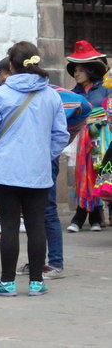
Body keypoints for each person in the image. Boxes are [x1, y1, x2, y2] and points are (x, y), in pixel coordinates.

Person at [0, 41, 69, 297]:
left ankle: (7, 282)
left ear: (11, 65)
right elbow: (60, 135)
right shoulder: (52, 95)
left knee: (9, 226)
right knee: (36, 225)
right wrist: (43, 154)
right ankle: (36, 282)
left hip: (6, 170)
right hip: (38, 171)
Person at [17, 85, 92, 280]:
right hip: (32, 158)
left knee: (47, 210)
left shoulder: (46, 94)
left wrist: (48, 152)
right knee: (33, 211)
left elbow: (81, 108)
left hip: (44, 158)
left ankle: (55, 263)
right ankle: (37, 262)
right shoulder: (24, 93)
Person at [65, 40, 111, 232]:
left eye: (80, 70)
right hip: (80, 140)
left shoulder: (105, 90)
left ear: (90, 70)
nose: (76, 73)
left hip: (101, 138)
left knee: (98, 174)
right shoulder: (71, 94)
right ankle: (83, 213)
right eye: (74, 70)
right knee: (82, 175)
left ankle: (93, 214)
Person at [0, 57, 26, 235]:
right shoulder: (46, 92)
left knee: (8, 225)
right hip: (29, 155)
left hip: (5, 154)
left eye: (1, 73)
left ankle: (2, 219)